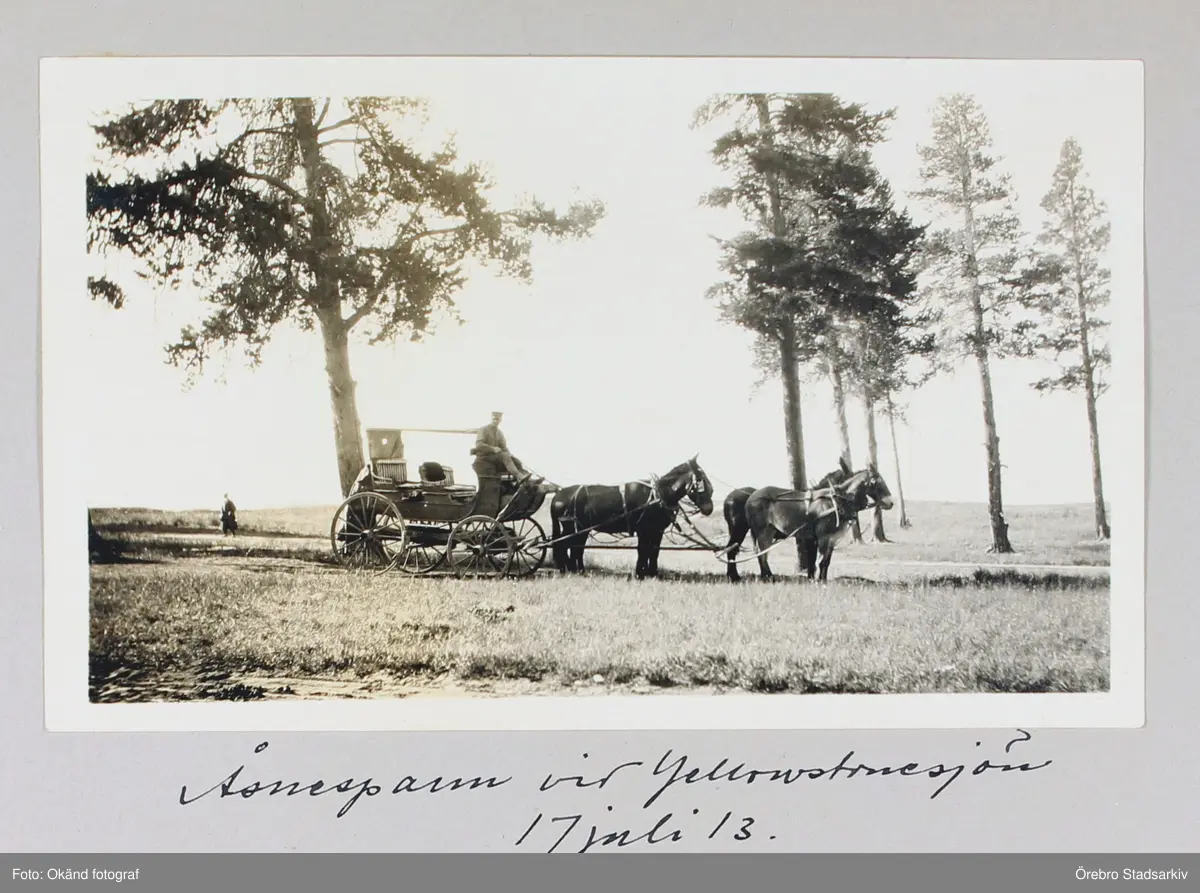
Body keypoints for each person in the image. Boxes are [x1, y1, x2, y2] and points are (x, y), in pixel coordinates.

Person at [471, 411, 531, 483]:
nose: (495, 421)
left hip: (495, 457)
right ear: (491, 419)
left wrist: (509, 454)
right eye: (494, 419)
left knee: (516, 460)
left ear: (500, 420)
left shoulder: (499, 433)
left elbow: (504, 447)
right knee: (504, 456)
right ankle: (518, 476)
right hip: (484, 457)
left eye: (497, 419)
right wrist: (493, 449)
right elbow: (479, 445)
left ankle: (526, 479)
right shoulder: (483, 429)